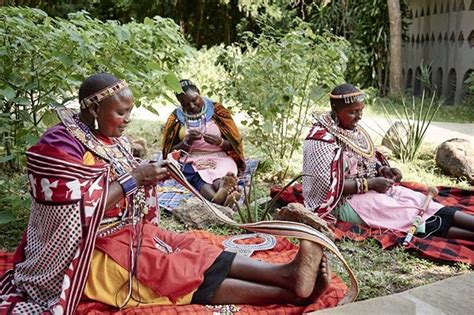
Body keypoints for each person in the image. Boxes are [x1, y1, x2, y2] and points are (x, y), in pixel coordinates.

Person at [0, 73, 332, 314]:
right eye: (121, 113)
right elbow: (75, 213)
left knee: (191, 247)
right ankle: (291, 291)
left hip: (124, 233)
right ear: (92, 110)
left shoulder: (104, 136)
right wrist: (133, 179)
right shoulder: (57, 148)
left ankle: (285, 274)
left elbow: (118, 180)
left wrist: (150, 173)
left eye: (130, 112)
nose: (128, 120)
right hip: (83, 252)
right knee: (168, 271)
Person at [302, 83, 474, 240]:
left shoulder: (352, 129)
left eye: (361, 110)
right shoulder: (320, 139)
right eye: (352, 112)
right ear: (334, 108)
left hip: (370, 189)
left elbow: (366, 160)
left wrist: (383, 170)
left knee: (419, 200)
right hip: (342, 202)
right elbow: (325, 187)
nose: (359, 116)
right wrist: (369, 184)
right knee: (406, 215)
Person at [162, 80, 244, 206]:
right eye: (186, 104)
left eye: (195, 100)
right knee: (197, 175)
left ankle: (223, 186)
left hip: (220, 157)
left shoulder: (218, 111)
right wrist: (186, 142)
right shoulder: (176, 118)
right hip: (191, 159)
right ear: (180, 104)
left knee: (220, 172)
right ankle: (221, 197)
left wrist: (221, 142)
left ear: (199, 93)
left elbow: (235, 144)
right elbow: (170, 151)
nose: (192, 106)